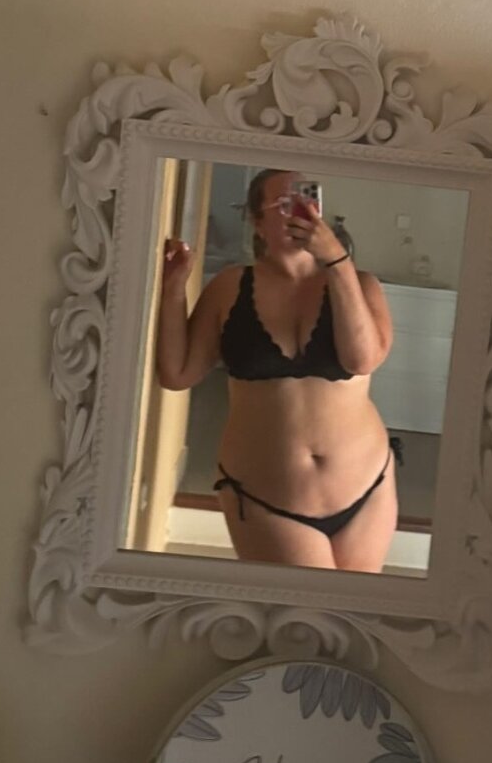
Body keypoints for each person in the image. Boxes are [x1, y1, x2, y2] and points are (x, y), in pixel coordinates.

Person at [156, 169, 398, 572]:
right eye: (284, 204)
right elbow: (177, 373)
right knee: (302, 607)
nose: (300, 211)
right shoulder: (230, 287)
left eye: (308, 199)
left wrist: (336, 262)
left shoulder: (361, 284)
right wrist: (174, 290)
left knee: (355, 609)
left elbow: (362, 360)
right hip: (265, 499)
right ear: (257, 220)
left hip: (367, 489)